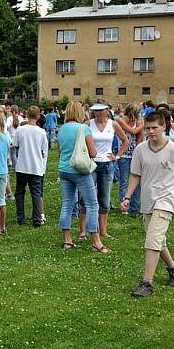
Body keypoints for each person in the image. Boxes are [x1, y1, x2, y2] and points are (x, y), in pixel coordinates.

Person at [122, 111, 174, 298]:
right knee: (158, 239)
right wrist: (127, 197)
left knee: (152, 239)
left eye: (154, 128)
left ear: (163, 127)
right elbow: (136, 175)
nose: (150, 131)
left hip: (167, 199)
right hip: (148, 199)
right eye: (148, 128)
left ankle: (147, 283)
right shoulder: (140, 149)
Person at [57, 101, 110, 253]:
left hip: (64, 169)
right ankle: (96, 241)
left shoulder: (61, 129)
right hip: (80, 171)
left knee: (67, 204)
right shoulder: (84, 128)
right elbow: (93, 153)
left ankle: (67, 240)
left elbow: (60, 152)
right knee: (92, 204)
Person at [86, 103, 129, 239]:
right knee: (88, 196)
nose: (98, 113)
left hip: (107, 163)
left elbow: (125, 141)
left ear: (106, 111)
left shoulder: (113, 124)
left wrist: (117, 156)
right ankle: (87, 230)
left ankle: (103, 231)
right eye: (96, 111)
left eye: (100, 111)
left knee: (104, 198)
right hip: (91, 163)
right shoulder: (88, 124)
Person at [14, 106, 48, 227]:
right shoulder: (41, 132)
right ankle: (37, 218)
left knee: (20, 192)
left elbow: (15, 144)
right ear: (38, 116)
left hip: (22, 165)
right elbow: (44, 150)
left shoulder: (20, 130)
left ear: (26, 115)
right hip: (36, 167)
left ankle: (20, 217)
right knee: (36, 193)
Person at [116, 104, 143, 214]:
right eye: (136, 114)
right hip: (124, 155)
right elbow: (133, 132)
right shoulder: (120, 121)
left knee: (137, 180)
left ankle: (134, 206)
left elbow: (140, 137)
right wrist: (143, 124)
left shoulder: (138, 122)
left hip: (134, 154)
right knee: (124, 181)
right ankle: (124, 206)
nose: (135, 117)